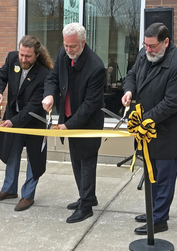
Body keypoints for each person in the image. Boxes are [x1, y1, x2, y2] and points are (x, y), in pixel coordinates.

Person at [121, 23, 177, 234]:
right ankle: (153, 212)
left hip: (168, 130)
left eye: (152, 46)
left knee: (163, 177)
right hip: (147, 129)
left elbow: (171, 103)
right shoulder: (145, 54)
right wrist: (129, 91)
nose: (148, 50)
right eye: (146, 45)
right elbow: (132, 74)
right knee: (151, 173)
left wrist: (144, 120)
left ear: (166, 42)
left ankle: (159, 220)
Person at [42, 23, 105, 223]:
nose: (68, 50)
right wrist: (49, 95)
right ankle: (87, 197)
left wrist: (69, 125)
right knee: (76, 160)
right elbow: (53, 78)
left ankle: (86, 206)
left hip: (88, 122)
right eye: (66, 46)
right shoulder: (63, 53)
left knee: (86, 161)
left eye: (73, 47)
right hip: (68, 117)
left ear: (83, 42)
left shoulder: (96, 67)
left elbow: (90, 105)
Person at [0, 35, 53, 211]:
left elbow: (33, 107)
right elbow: (0, 76)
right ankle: (9, 189)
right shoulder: (12, 59)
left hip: (33, 122)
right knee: (12, 153)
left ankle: (28, 195)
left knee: (34, 159)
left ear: (37, 55)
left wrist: (13, 121)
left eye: (28, 56)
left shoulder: (44, 74)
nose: (23, 59)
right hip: (13, 118)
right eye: (21, 54)